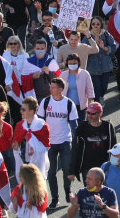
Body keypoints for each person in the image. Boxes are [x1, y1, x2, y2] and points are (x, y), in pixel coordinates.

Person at [38, 77, 79, 208]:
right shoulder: (45, 102)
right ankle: (55, 198)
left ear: (61, 89)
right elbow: (39, 122)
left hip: (65, 141)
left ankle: (68, 192)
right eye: (51, 86)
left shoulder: (69, 103)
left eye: (53, 87)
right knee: (51, 172)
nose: (50, 89)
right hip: (49, 143)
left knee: (67, 169)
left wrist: (76, 142)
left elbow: (74, 125)